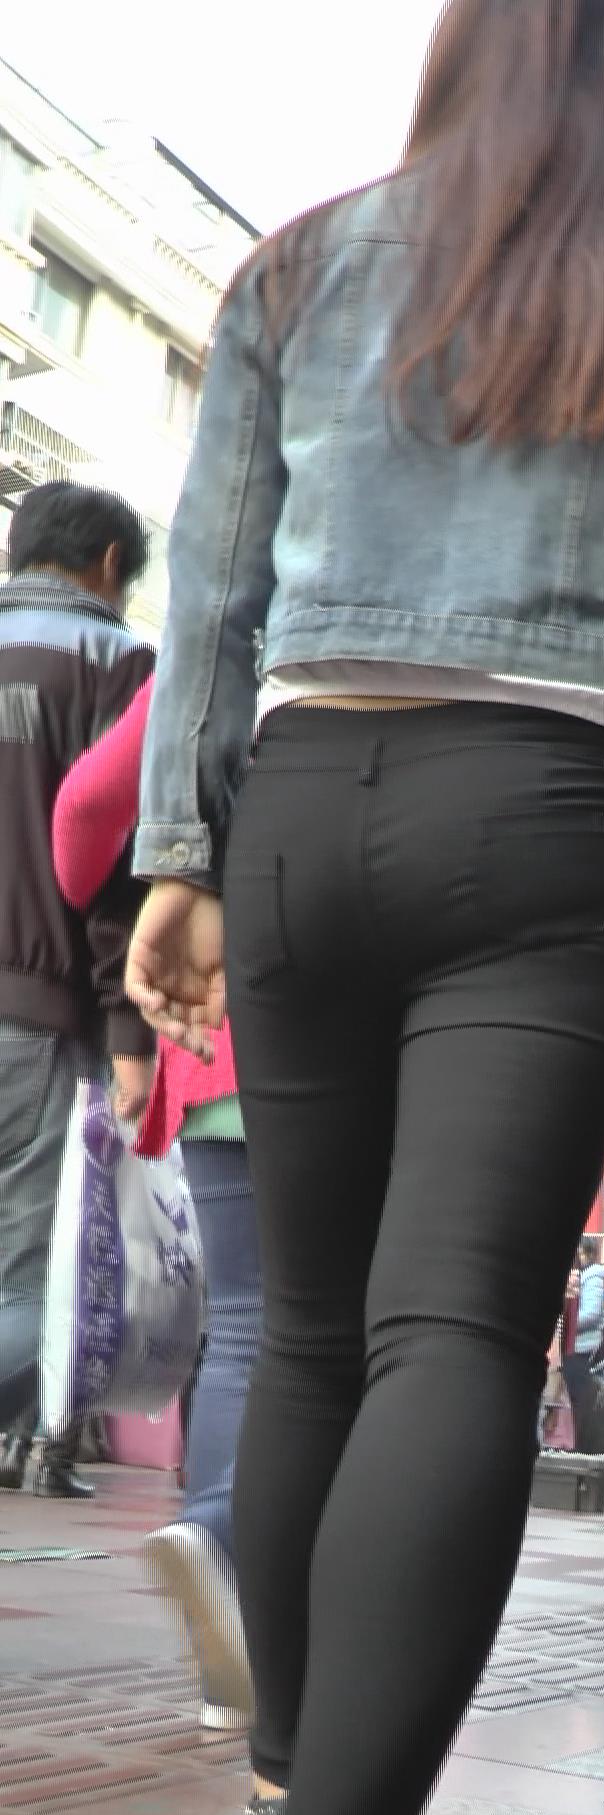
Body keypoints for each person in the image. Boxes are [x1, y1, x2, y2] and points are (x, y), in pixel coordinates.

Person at [123, 0, 604, 1815]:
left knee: (313, 1330)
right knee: (455, 1331)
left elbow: (212, 580)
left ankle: (287, 1778)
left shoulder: (295, 265)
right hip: (551, 807)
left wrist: (180, 855)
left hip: (303, 796)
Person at [51, 677, 256, 1729]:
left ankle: (220, 1551)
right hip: (406, 1037)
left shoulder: (227, 642)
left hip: (218, 1025)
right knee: (362, 1338)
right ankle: (274, 1598)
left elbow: (85, 813)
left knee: (253, 1327)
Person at [0, 482, 155, 1502]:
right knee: (32, 1275)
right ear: (108, 562)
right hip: (36, 1014)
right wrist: (129, 1028)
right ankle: (36, 1439)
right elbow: (121, 866)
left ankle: (37, 1442)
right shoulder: (117, 663)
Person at [562, 1237, 604, 1421]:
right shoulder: (578, 1276)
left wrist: (565, 1322)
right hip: (572, 1345)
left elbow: (591, 1314)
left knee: (579, 1398)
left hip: (583, 1348)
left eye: (580, 1253)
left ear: (589, 1255)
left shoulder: (593, 1277)